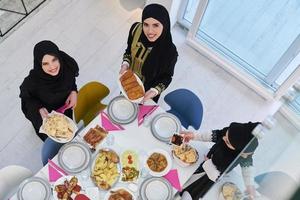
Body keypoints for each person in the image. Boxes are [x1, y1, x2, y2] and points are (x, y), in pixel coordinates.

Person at [179, 122, 260, 200]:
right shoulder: (228, 133)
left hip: (209, 176)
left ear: (239, 152)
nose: (223, 138)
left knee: (191, 191)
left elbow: (247, 168)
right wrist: (194, 136)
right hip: (204, 163)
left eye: (228, 142)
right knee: (183, 176)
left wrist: (250, 185)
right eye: (226, 134)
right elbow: (214, 135)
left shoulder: (240, 156)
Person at [20, 40, 79, 141]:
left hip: (66, 108)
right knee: (53, 142)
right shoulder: (32, 82)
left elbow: (71, 79)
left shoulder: (67, 65)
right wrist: (38, 108)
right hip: (46, 116)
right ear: (39, 64)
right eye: (45, 63)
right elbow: (26, 99)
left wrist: (74, 91)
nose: (52, 67)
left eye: (54, 59)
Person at [119, 3, 178, 103]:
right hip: (129, 82)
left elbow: (167, 77)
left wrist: (154, 91)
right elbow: (129, 50)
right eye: (146, 24)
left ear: (165, 25)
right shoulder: (136, 30)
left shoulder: (170, 52)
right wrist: (125, 64)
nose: (150, 31)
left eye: (155, 25)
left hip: (149, 92)